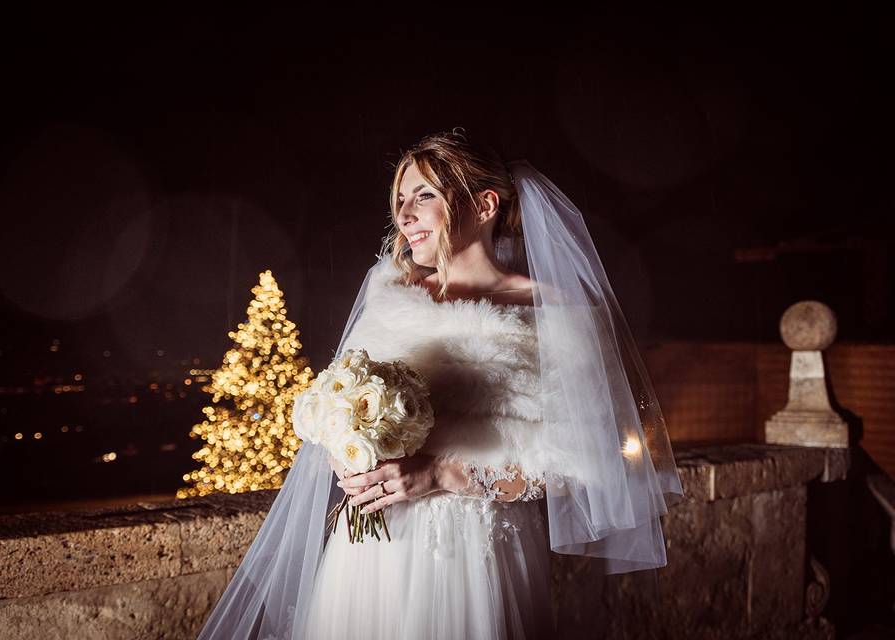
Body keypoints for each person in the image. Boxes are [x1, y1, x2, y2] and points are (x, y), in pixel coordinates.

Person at [195, 129, 684, 640]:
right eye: (400, 199)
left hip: (473, 552)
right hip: (368, 551)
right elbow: (337, 405)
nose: (403, 215)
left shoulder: (555, 312)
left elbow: (584, 466)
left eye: (424, 195)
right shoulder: (389, 295)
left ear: (485, 203)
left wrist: (440, 476)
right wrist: (349, 451)